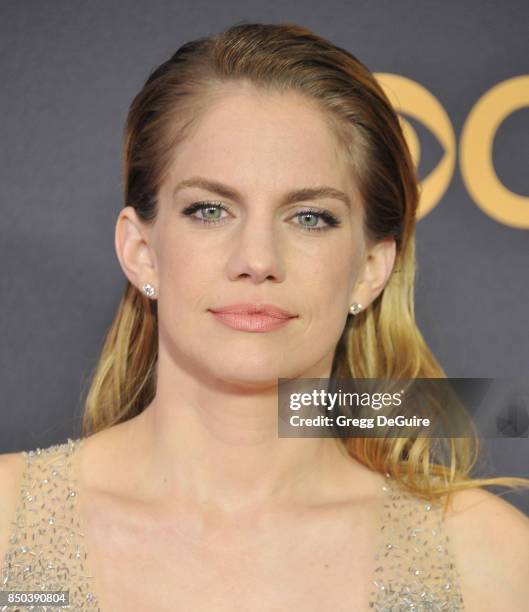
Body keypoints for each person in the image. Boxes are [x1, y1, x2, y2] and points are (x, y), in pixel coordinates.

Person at [1, 21, 528, 612]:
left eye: (309, 218)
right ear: (140, 251)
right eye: (209, 209)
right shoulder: (8, 525)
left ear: (371, 269)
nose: (257, 260)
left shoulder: (482, 559)